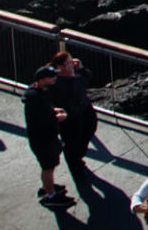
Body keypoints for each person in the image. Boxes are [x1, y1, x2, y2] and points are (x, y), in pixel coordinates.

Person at [22, 66, 72, 204]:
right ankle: (50, 196)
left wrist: (54, 111)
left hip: (48, 137)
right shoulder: (34, 98)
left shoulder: (40, 92)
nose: (55, 78)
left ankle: (47, 187)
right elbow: (42, 119)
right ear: (42, 80)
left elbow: (45, 111)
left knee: (50, 165)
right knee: (48, 168)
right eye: (51, 77)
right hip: (42, 140)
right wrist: (58, 117)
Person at [50, 52, 98, 190]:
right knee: (72, 142)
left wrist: (81, 68)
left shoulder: (76, 77)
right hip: (70, 116)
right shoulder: (57, 82)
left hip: (85, 110)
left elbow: (87, 78)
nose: (71, 64)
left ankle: (79, 156)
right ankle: (76, 167)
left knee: (89, 130)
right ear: (59, 66)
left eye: (71, 61)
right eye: (67, 63)